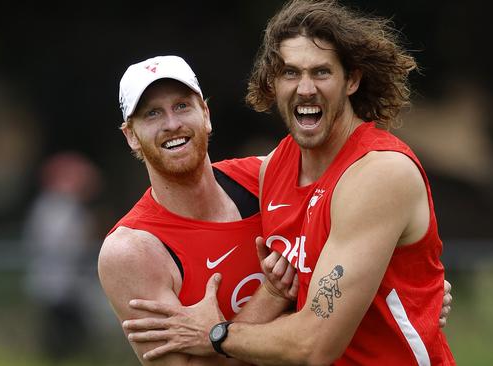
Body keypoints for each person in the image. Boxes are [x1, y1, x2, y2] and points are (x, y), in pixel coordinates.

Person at [123, 1, 456, 365]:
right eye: (291, 73)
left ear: (353, 80)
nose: (306, 88)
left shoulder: (379, 172)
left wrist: (216, 333)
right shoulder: (274, 170)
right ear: (273, 83)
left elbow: (314, 345)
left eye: (321, 72)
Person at [97, 55, 301, 366]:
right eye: (152, 114)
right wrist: (272, 295)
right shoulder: (132, 251)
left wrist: (215, 337)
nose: (172, 124)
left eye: (182, 106)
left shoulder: (266, 178)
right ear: (131, 136)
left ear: (205, 114)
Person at [23, 151, 102, 362]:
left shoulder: (61, 206)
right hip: (57, 282)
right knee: (61, 332)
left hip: (67, 282)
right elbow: (61, 243)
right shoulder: (57, 207)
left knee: (70, 330)